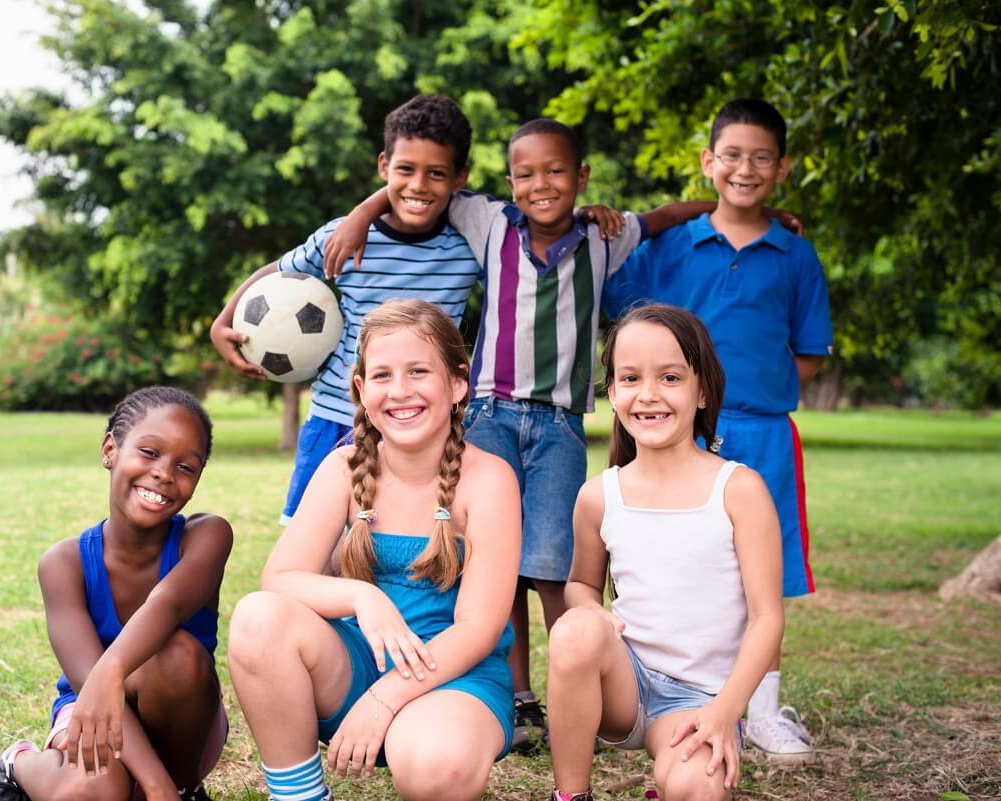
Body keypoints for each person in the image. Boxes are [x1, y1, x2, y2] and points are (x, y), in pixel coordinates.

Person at [322, 118, 727, 752]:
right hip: (489, 411)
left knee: (553, 560)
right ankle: (516, 695)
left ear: (582, 177)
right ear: (508, 182)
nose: (542, 185)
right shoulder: (490, 224)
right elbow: (419, 184)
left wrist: (731, 207)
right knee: (496, 563)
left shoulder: (603, 237)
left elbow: (665, 214)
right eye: (527, 174)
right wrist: (357, 216)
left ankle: (574, 691)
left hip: (560, 420)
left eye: (557, 172)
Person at [603, 98, 832, 762]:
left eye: (762, 156)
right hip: (679, 429)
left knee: (767, 568)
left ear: (782, 168)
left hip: (761, 431)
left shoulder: (795, 253)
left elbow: (809, 349)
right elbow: (624, 309)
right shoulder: (674, 244)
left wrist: (755, 389)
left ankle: (760, 709)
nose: (746, 168)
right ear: (709, 162)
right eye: (731, 154)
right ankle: (657, 691)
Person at [228, 299, 521, 801]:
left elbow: (478, 629)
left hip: (455, 677)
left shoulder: (489, 480)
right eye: (382, 375)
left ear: (457, 383)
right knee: (258, 618)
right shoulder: (344, 469)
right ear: (362, 391)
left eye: (418, 371)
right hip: (357, 664)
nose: (400, 390)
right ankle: (299, 796)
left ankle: (428, 740)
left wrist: (386, 699)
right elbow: (280, 578)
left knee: (437, 768)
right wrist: (364, 599)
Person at [546, 304, 784, 801]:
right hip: (623, 685)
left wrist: (725, 710)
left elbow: (767, 620)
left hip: (699, 701)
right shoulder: (600, 494)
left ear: (702, 391)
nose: (648, 395)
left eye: (670, 377)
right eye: (630, 378)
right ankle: (571, 795)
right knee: (574, 631)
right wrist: (592, 613)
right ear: (612, 393)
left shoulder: (739, 490)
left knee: (696, 788)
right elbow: (581, 585)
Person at [209, 94, 482, 526]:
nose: (418, 185)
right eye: (405, 170)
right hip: (338, 417)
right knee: (314, 547)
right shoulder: (346, 238)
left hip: (421, 427)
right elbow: (279, 270)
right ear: (383, 167)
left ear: (459, 177)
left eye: (436, 174)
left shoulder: (469, 245)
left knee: (401, 543)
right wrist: (222, 322)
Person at [0, 387, 233, 801]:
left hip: (183, 721)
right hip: (93, 708)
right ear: (110, 449)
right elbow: (88, 679)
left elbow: (168, 603)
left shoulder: (206, 536)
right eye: (149, 452)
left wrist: (111, 669)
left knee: (176, 652)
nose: (165, 473)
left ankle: (180, 788)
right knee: (100, 787)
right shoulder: (64, 564)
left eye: (186, 466)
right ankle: (19, 763)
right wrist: (155, 784)